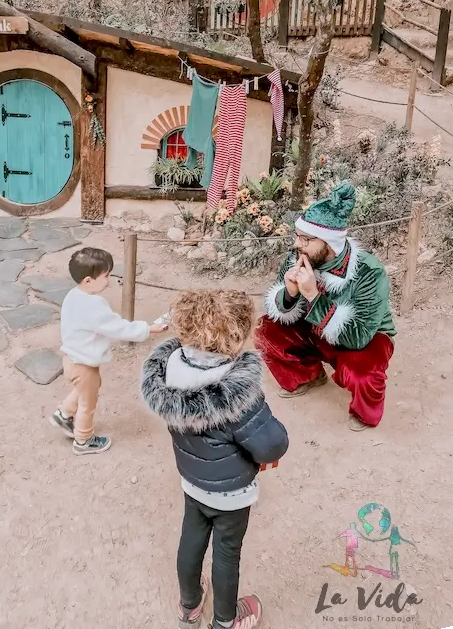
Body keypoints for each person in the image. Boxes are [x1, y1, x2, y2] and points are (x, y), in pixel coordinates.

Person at [141, 290, 289, 629]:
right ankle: (226, 620)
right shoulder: (238, 395)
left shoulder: (169, 373)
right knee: (226, 552)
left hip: (192, 479)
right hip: (231, 492)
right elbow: (271, 445)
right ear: (237, 336)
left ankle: (190, 605)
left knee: (191, 538)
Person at [255, 181, 396, 432]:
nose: (297, 244)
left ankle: (365, 413)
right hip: (316, 328)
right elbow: (279, 306)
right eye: (297, 236)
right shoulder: (299, 257)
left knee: (362, 374)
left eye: (305, 239)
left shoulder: (368, 271)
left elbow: (358, 338)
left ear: (328, 244)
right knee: (265, 330)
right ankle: (309, 375)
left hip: (365, 337)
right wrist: (289, 293)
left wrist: (312, 295)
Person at [50, 247, 166, 455]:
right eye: (106, 276)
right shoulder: (94, 306)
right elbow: (119, 328)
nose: (109, 280)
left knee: (85, 389)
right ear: (88, 280)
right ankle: (83, 441)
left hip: (72, 358)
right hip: (84, 365)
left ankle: (64, 414)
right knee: (88, 402)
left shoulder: (73, 295)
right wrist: (148, 329)